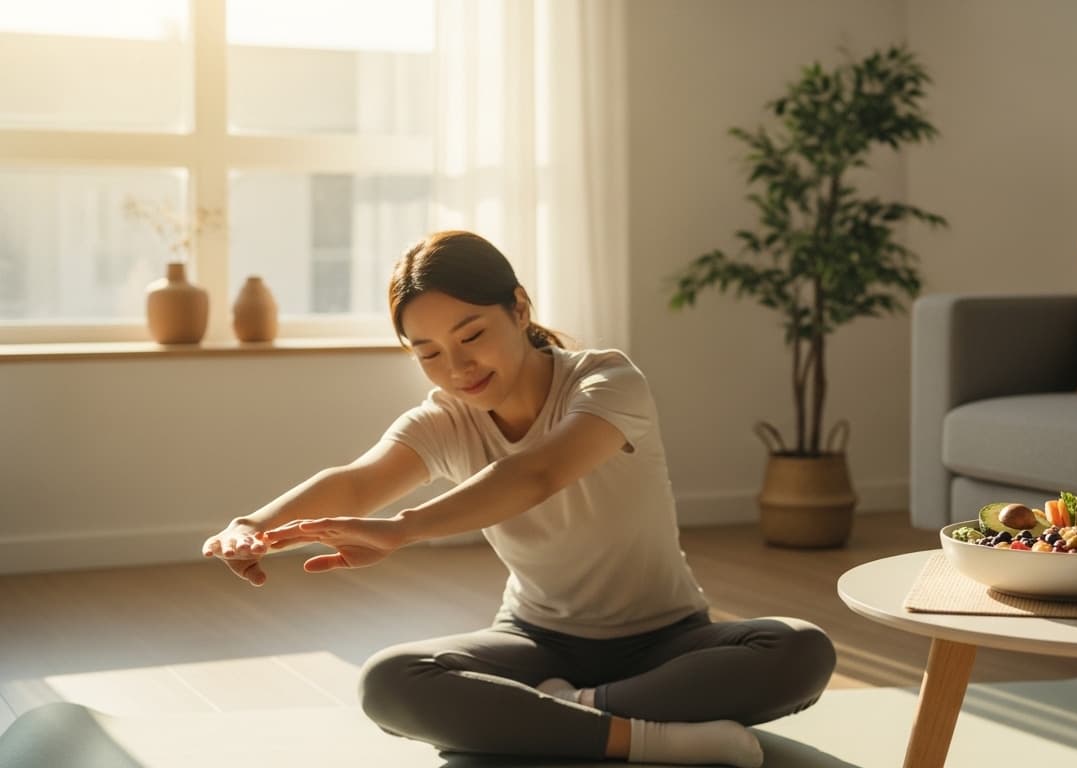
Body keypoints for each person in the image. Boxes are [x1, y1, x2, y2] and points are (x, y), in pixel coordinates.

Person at [200, 231, 835, 767]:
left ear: (519, 308)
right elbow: (358, 480)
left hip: (666, 639)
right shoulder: (444, 420)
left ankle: (567, 714)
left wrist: (403, 530)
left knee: (801, 649)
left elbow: (537, 474)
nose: (456, 367)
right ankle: (645, 735)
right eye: (428, 353)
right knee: (388, 683)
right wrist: (251, 522)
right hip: (537, 642)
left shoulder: (607, 380)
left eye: (471, 335)